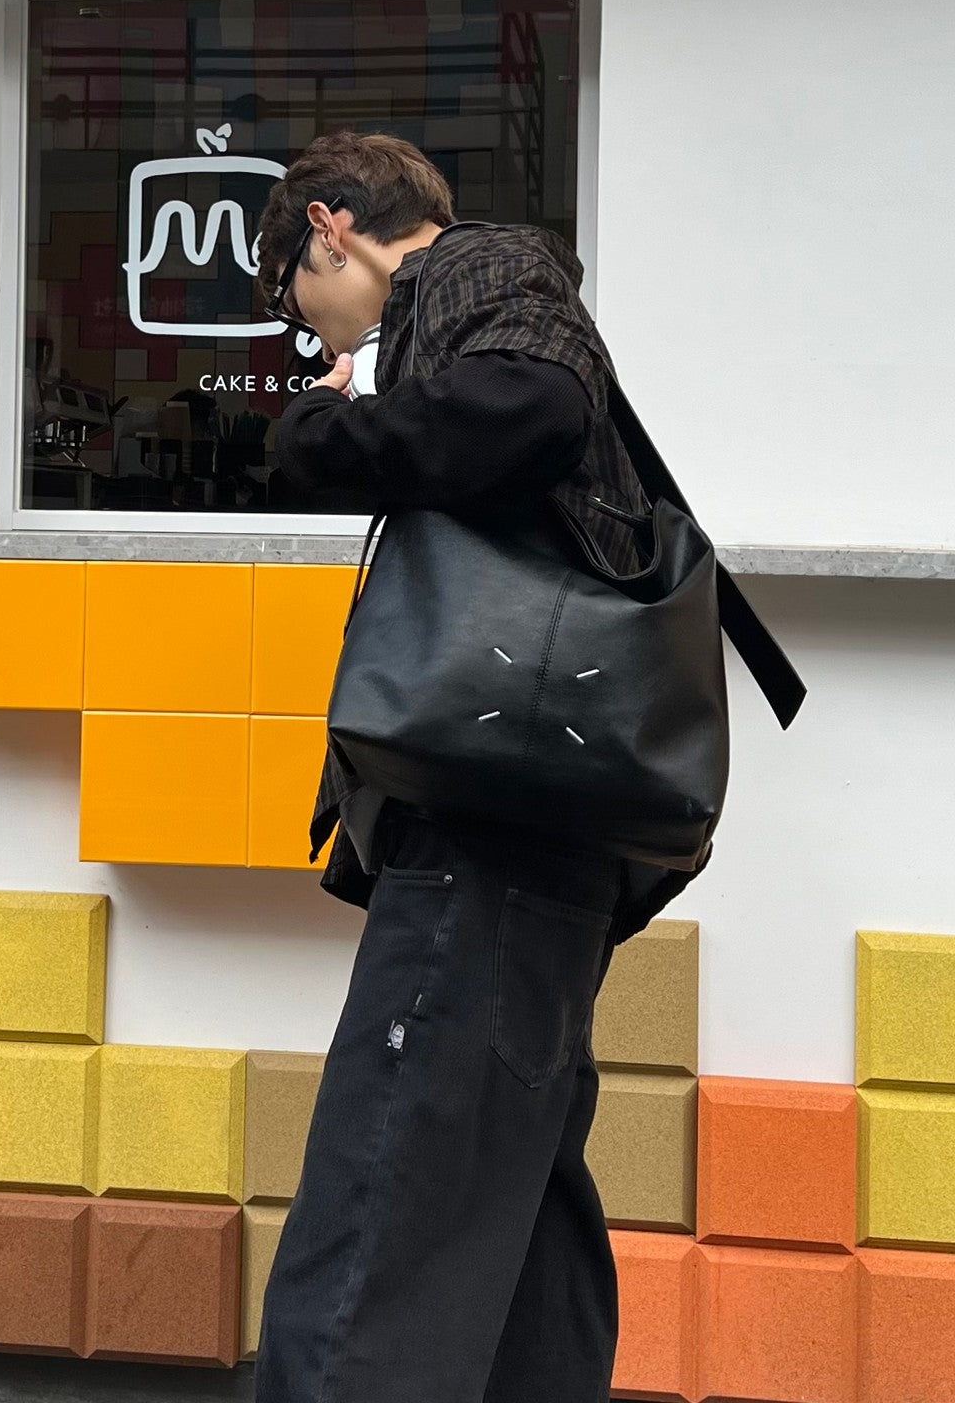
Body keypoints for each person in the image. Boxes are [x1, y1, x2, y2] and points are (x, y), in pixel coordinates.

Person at [250, 130, 712, 1403]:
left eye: (294, 294)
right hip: (542, 830)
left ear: (332, 229)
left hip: (490, 834)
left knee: (379, 1214)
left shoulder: (469, 267)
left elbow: (531, 406)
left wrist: (327, 426)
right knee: (518, 1207)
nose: (307, 324)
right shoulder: (473, 299)